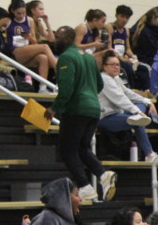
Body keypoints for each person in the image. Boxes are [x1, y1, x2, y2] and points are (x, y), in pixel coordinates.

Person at [44, 26, 116, 203]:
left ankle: (85, 187)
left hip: (76, 109)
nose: (55, 40)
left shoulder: (66, 57)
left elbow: (66, 88)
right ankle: (103, 175)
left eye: (58, 37)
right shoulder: (89, 58)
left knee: (67, 151)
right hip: (94, 109)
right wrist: (88, 94)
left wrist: (54, 107)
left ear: (68, 39)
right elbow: (99, 84)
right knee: (82, 148)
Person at [97, 51, 157, 162]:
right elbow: (120, 98)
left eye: (118, 64)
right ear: (104, 67)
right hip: (106, 117)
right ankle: (149, 154)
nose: (116, 67)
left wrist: (147, 101)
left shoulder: (115, 78)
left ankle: (139, 119)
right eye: (113, 65)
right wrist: (137, 111)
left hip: (118, 113)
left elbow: (128, 93)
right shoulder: (104, 79)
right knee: (138, 121)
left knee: (141, 105)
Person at [5, 0, 56, 91]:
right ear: (12, 11)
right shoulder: (8, 20)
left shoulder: (29, 20)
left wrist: (28, 37)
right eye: (18, 13)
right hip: (15, 51)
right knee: (45, 47)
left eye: (23, 13)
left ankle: (42, 88)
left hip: (27, 50)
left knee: (43, 58)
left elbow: (35, 42)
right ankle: (58, 69)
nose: (21, 16)